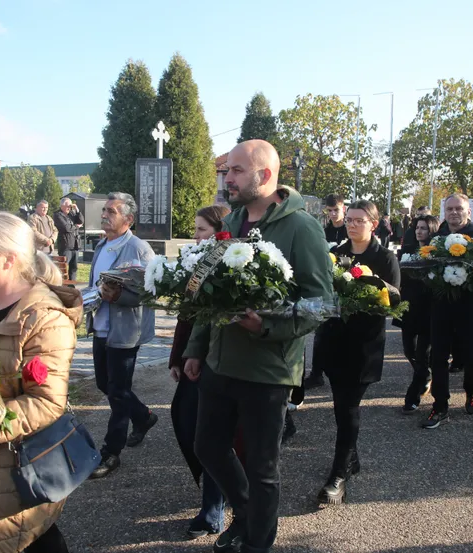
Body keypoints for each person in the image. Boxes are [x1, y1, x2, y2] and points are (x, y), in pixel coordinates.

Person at [182, 140, 333, 553]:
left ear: (264, 176)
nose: (226, 178)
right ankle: (247, 516)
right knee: (208, 447)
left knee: (262, 467)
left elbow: (320, 303)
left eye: (236, 171)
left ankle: (258, 542)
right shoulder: (230, 220)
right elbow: (207, 293)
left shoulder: (302, 227)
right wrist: (195, 347)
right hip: (219, 360)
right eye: (226, 170)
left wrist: (265, 325)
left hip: (268, 369)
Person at [0, 212, 81, 553]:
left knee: (27, 538)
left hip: (18, 466)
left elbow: (46, 402)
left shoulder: (44, 318)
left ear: (7, 259)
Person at [312, 200, 399, 505]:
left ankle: (338, 476)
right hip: (335, 342)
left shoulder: (385, 257)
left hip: (364, 346)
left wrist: (370, 289)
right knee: (340, 407)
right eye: (349, 219)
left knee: (348, 407)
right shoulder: (336, 255)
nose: (352, 224)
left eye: (359, 220)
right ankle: (351, 457)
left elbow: (395, 298)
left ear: (373, 224)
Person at [168, 205, 230, 539]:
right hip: (194, 357)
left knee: (212, 431)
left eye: (202, 229)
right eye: (195, 229)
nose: (196, 235)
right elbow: (186, 315)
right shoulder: (197, 262)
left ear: (220, 231)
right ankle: (216, 488)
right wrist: (177, 357)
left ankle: (213, 508)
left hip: (220, 360)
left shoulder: (232, 263)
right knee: (184, 418)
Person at [87, 192, 157, 479]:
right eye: (104, 210)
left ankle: (111, 451)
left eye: (111, 211)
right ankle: (143, 416)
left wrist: (118, 297)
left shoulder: (140, 249)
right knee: (106, 384)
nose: (104, 215)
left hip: (125, 332)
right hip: (101, 328)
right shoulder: (102, 244)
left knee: (117, 392)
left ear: (128, 219)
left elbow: (150, 291)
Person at [423, 194, 473, 429]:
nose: (454, 212)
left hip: (470, 307)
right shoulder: (436, 239)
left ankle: (471, 391)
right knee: (438, 356)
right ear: (444, 212)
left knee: (471, 352)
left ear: (468, 211)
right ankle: (440, 404)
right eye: (450, 209)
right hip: (441, 307)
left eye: (459, 208)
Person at [304, 193, 347, 390]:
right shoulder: (323, 230)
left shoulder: (350, 228)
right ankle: (316, 374)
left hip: (346, 282)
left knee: (342, 331)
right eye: (329, 211)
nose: (332, 214)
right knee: (321, 330)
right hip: (327, 283)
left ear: (343, 208)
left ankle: (342, 370)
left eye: (335, 210)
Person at [399, 215, 439, 412]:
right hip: (409, 307)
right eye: (417, 228)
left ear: (431, 230)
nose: (419, 231)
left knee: (422, 353)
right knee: (409, 350)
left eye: (423, 228)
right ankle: (425, 375)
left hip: (428, 309)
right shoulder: (406, 250)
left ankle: (413, 396)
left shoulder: (438, 253)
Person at [53, 197, 84, 280]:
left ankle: (72, 288)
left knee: (73, 269)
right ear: (62, 206)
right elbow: (66, 228)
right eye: (67, 206)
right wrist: (76, 227)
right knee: (63, 268)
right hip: (65, 246)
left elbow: (81, 221)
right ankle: (62, 287)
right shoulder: (58, 215)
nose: (69, 208)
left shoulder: (72, 214)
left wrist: (77, 210)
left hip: (75, 245)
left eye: (70, 206)